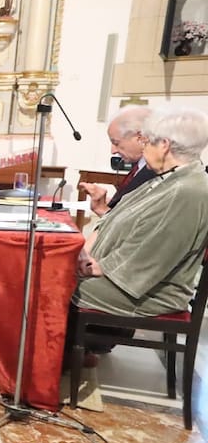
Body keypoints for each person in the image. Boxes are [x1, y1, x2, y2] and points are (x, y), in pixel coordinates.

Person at [75, 106, 208, 316]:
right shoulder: (166, 177)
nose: (144, 149)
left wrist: (100, 267)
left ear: (164, 145)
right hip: (126, 277)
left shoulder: (187, 190)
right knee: (47, 275)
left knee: (53, 286)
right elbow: (121, 218)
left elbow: (154, 251)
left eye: (146, 142)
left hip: (150, 292)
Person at [78, 106, 156, 217]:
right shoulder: (139, 166)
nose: (113, 151)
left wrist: (103, 210)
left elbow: (140, 222)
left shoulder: (156, 171)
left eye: (116, 143)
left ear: (140, 137)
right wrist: (112, 204)